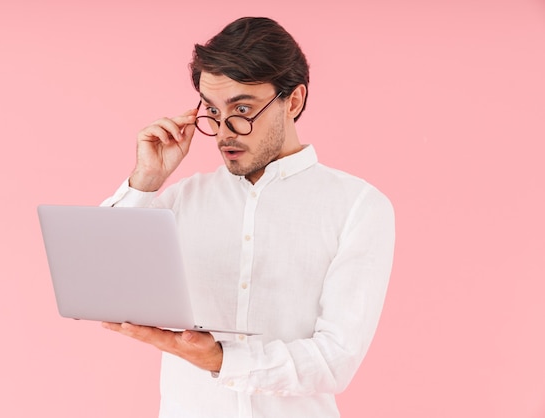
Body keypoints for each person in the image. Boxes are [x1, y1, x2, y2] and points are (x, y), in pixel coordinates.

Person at [100, 16, 395, 418]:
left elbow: (334, 359)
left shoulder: (358, 207)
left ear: (292, 101)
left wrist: (221, 359)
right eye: (212, 111)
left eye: (242, 109)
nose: (224, 132)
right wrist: (145, 181)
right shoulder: (180, 201)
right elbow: (100, 283)